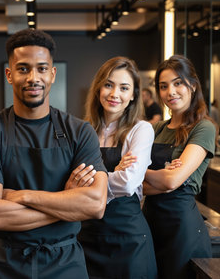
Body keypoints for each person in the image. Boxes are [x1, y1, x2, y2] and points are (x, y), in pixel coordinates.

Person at [0, 29, 108, 279]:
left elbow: (95, 204)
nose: (33, 77)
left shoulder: (80, 132)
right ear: (9, 75)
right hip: (5, 265)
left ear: (52, 74)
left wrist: (21, 196)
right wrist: (66, 201)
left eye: (42, 68)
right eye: (23, 69)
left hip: (65, 264)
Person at [78, 57, 157, 278]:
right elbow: (68, 181)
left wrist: (90, 180)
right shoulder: (83, 130)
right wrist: (114, 174)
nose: (115, 94)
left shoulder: (141, 130)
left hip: (128, 239)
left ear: (133, 95)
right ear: (98, 88)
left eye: (124, 88)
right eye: (108, 85)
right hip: (87, 236)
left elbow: (129, 182)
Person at [142, 55, 216, 279]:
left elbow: (173, 181)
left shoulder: (204, 128)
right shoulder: (155, 128)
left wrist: (144, 174)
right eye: (163, 86)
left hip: (181, 229)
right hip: (148, 223)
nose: (170, 92)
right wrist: (161, 176)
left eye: (178, 83)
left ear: (192, 85)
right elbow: (133, 182)